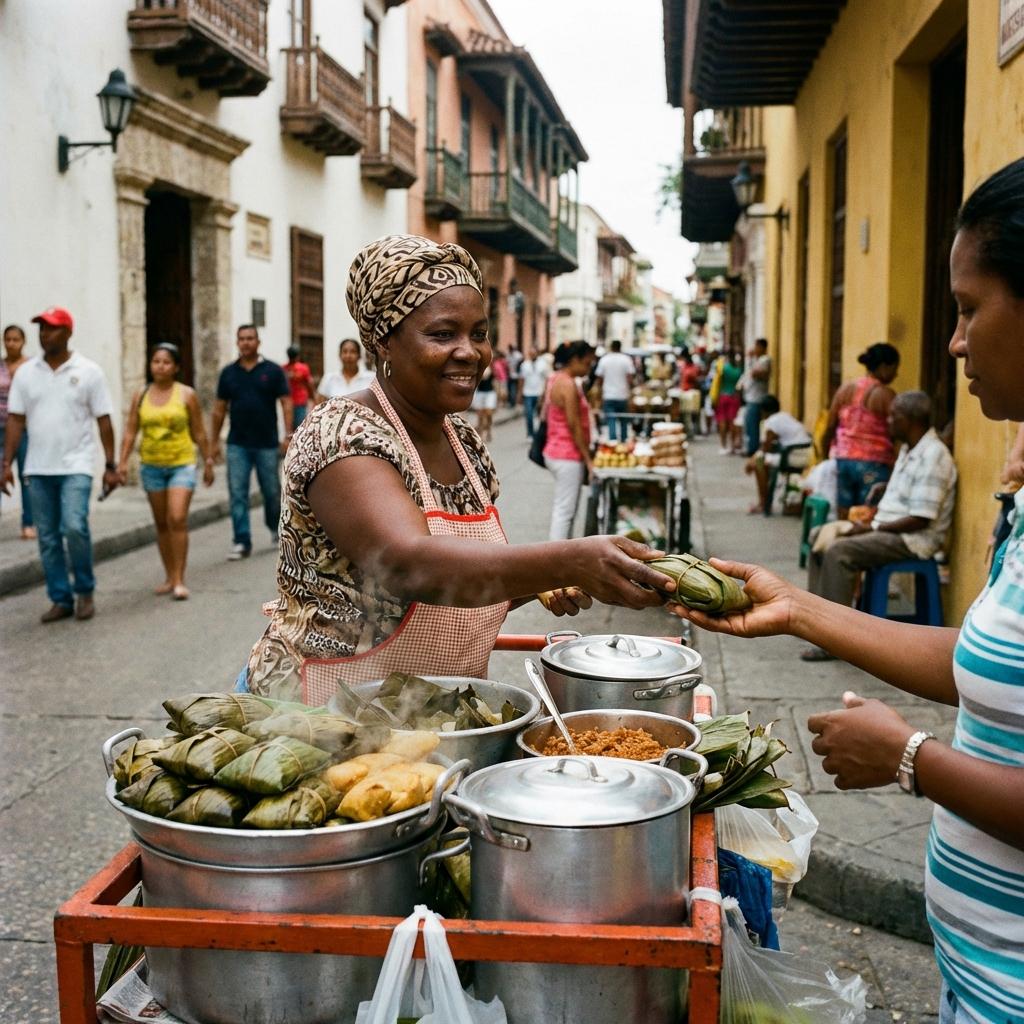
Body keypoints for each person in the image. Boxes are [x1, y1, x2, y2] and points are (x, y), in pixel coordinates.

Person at [671, 158, 1024, 1022]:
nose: (955, 341)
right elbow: (983, 662)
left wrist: (911, 759)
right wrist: (800, 606)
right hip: (979, 979)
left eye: (971, 308)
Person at [240, 234, 673, 701]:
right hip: (318, 715)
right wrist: (569, 558)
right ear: (383, 341)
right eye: (443, 334)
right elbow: (409, 564)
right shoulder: (341, 433)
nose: (471, 352)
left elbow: (463, 585)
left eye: (480, 334)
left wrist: (550, 579)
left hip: (432, 713)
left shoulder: (461, 438)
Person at [801, 390, 957, 660]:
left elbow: (920, 518)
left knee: (839, 551)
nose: (889, 421)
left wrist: (873, 528)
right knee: (819, 535)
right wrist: (885, 488)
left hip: (912, 539)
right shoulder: (910, 450)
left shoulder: (934, 457)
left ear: (911, 420)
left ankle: (834, 640)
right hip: (888, 527)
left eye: (894, 416)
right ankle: (816, 622)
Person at [1, 307, 119, 622]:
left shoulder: (89, 371)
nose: (44, 334)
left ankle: (84, 589)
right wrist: (6, 463)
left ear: (67, 332)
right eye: (41, 329)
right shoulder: (26, 373)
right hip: (38, 468)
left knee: (74, 527)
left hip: (77, 465)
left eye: (51, 329)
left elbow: (104, 420)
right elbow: (15, 419)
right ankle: (60, 597)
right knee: (49, 537)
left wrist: (110, 464)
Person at [116, 343, 214, 600]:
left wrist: (209, 461)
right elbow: (130, 430)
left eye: (166, 362)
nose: (160, 366)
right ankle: (169, 576)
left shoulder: (186, 395)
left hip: (181, 463)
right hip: (151, 465)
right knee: (161, 523)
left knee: (177, 517)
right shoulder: (141, 394)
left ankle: (180, 580)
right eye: (156, 361)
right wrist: (123, 462)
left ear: (176, 367)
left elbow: (199, 431)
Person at [210, 324, 292, 561]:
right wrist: (214, 443)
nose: (245, 342)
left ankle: (275, 528)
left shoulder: (272, 371)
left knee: (271, 491)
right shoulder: (228, 374)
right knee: (237, 493)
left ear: (258, 342)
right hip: (237, 444)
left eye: (250, 338)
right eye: (241, 339)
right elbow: (218, 410)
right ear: (237, 343)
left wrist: (287, 434)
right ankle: (241, 540)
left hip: (266, 444)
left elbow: (285, 402)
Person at [822, 342, 900, 519]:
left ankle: (842, 542)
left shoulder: (845, 389)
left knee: (845, 511)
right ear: (884, 367)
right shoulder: (885, 394)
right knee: (868, 513)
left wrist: (825, 454)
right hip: (873, 463)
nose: (896, 374)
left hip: (843, 460)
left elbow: (830, 425)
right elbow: (898, 430)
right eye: (895, 368)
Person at [543, 340, 596, 540]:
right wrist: (588, 459)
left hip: (557, 450)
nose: (589, 368)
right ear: (575, 360)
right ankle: (557, 560)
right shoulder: (567, 384)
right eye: (587, 363)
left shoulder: (556, 379)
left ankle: (564, 555)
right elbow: (574, 425)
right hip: (567, 454)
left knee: (566, 510)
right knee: (565, 512)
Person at [743, 395, 812, 514]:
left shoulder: (771, 422)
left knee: (758, 463)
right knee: (761, 460)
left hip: (792, 456)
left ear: (764, 411)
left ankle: (763, 502)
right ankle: (768, 499)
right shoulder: (785, 416)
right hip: (805, 454)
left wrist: (751, 461)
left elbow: (765, 448)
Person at [1, 325, 34, 537]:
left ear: (23, 342)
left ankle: (28, 522)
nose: (11, 343)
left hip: (24, 429)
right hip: (0, 426)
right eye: (8, 339)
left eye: (16, 339)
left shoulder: (31, 367)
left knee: (26, 476)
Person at [595, 339, 634, 441]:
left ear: (611, 347)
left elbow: (599, 378)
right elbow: (630, 378)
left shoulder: (604, 359)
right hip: (622, 394)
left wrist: (600, 391)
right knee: (623, 420)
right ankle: (624, 441)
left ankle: (613, 442)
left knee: (611, 420)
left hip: (608, 395)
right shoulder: (626, 359)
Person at [742, 338, 772, 456]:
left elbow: (755, 374)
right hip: (751, 397)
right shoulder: (758, 360)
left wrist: (750, 360)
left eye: (756, 346)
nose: (754, 349)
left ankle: (753, 449)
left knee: (753, 425)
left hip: (757, 398)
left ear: (762, 347)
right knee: (749, 425)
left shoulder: (765, 360)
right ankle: (751, 447)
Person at [710, 349, 743, 454]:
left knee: (722, 421)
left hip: (723, 396)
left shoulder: (723, 368)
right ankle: (732, 446)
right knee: (732, 422)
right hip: (734, 397)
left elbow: (716, 379)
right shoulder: (739, 370)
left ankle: (723, 445)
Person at [520, 345, 548, 438]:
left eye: (534, 353)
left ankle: (541, 433)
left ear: (537, 353)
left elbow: (547, 379)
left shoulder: (543, 364)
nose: (532, 355)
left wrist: (545, 393)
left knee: (541, 415)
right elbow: (522, 379)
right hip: (528, 393)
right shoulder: (524, 365)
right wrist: (519, 393)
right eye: (530, 353)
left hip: (540, 392)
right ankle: (530, 433)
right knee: (529, 414)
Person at [283, 345, 314, 427]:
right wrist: (313, 397)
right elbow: (310, 384)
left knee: (294, 427)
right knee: (299, 427)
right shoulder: (303, 368)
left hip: (294, 402)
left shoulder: (284, 369)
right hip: (296, 402)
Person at [471, 363, 497, 442]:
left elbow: (495, 382)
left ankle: (489, 429)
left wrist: (498, 394)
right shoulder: (478, 369)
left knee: (489, 413)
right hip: (480, 393)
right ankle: (482, 433)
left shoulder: (492, 368)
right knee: (480, 415)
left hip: (490, 393)